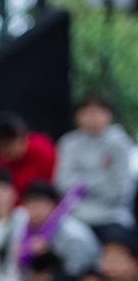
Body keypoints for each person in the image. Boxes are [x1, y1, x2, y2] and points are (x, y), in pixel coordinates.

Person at [56, 95, 136, 234]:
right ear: (77, 117)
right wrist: (102, 178)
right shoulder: (68, 143)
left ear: (109, 115)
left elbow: (120, 191)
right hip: (75, 214)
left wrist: (82, 184)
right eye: (87, 113)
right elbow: (62, 183)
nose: (93, 118)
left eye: (98, 112)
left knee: (117, 241)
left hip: (112, 214)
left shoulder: (120, 144)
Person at [18, 181, 100, 277]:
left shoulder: (71, 233)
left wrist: (49, 252)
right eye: (31, 205)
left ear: (54, 206)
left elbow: (76, 272)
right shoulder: (23, 227)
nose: (35, 211)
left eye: (41, 205)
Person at [0, 112, 57, 200]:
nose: (4, 151)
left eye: (8, 145)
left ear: (24, 139)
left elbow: (46, 190)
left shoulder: (42, 150)